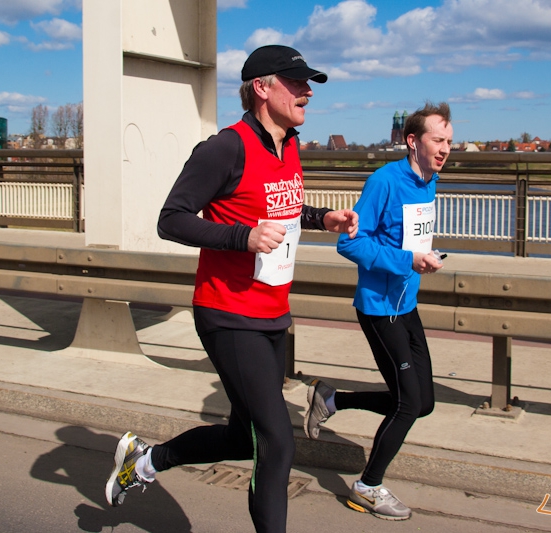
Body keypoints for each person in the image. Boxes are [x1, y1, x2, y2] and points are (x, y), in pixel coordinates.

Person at [104, 45, 358, 533]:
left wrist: (322, 217)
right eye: (296, 82)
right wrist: (243, 237)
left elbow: (276, 209)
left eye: (309, 83)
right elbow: (170, 219)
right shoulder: (227, 147)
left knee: (245, 439)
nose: (307, 91)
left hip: (272, 313)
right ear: (262, 88)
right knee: (278, 441)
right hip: (228, 312)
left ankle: (146, 461)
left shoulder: (289, 144)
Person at [304, 102, 452, 521]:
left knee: (423, 403)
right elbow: (349, 243)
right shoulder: (384, 182)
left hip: (406, 304)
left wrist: (422, 259)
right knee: (407, 404)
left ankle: (333, 399)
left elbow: (410, 238)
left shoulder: (430, 181)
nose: (444, 149)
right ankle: (367, 487)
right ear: (413, 141)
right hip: (378, 306)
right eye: (437, 140)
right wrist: (409, 261)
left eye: (449, 142)